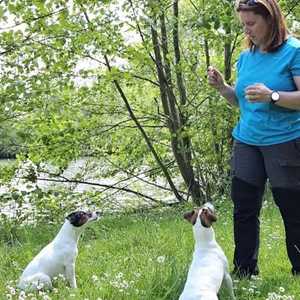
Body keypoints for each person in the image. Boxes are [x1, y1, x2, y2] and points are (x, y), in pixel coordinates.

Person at [207, 0, 300, 277]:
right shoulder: (246, 56)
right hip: (247, 141)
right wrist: (224, 88)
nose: (246, 30)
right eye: (243, 24)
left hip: (284, 142)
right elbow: (241, 101)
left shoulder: (293, 51)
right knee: (244, 209)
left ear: (270, 19)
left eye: (251, 23)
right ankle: (245, 272)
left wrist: (273, 95)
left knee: (293, 210)